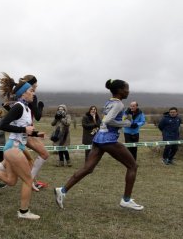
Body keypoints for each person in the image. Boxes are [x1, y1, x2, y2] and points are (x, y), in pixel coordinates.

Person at [54, 79, 144, 211]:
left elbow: (107, 120)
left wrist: (124, 120)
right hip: (109, 140)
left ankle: (62, 190)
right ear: (119, 91)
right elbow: (108, 120)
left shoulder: (109, 102)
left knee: (88, 168)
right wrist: (128, 124)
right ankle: (126, 200)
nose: (128, 91)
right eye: (126, 89)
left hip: (98, 139)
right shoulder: (118, 104)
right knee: (133, 166)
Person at [0, 73, 45, 219]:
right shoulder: (19, 107)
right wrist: (24, 130)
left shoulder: (27, 109)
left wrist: (36, 133)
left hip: (17, 147)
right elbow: (3, 125)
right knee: (28, 180)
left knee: (11, 181)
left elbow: (23, 129)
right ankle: (23, 212)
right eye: (31, 91)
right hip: (13, 148)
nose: (33, 93)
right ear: (23, 94)